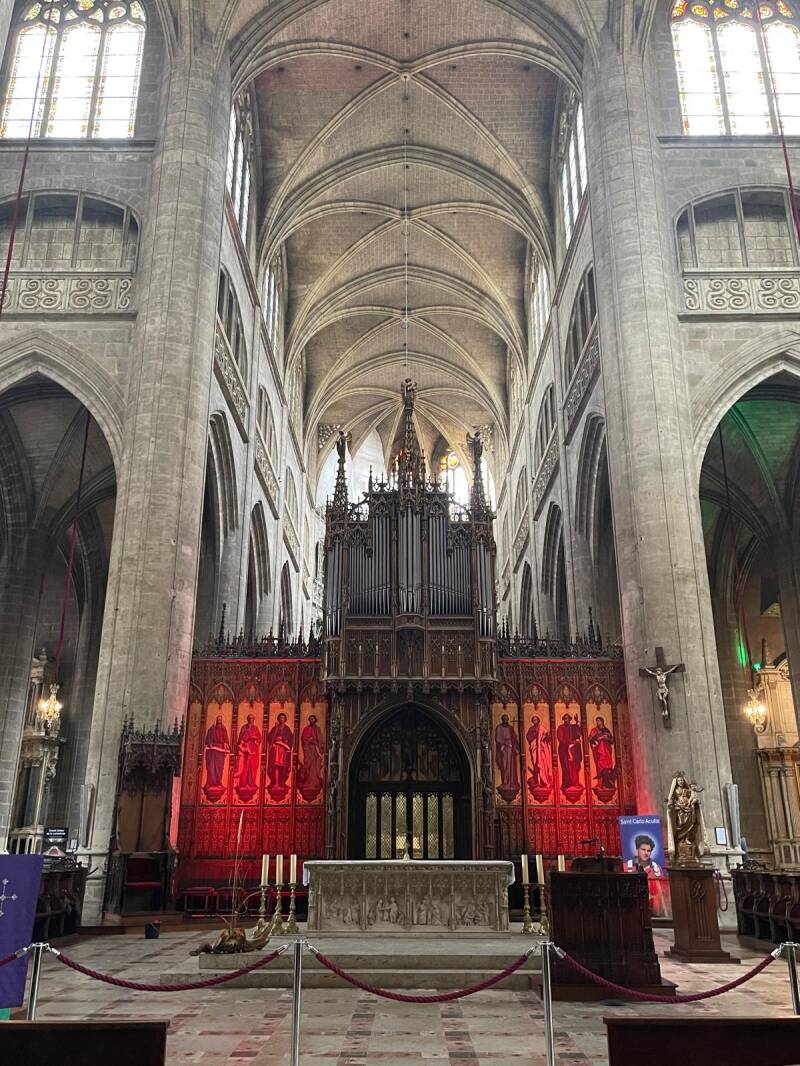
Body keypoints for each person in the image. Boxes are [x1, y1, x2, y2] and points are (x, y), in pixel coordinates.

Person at [625, 833, 666, 915]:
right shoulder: (625, 867)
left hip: (654, 912)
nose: (646, 853)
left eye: (648, 851)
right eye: (643, 849)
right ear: (637, 850)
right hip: (632, 910)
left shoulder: (657, 869)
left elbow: (664, 894)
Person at [234, 713, 262, 799]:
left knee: (252, 767)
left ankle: (251, 783)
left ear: (254, 720)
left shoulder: (256, 728)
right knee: (244, 767)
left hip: (254, 750)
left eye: (252, 718)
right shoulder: (244, 728)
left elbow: (259, 739)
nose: (251, 720)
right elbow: (240, 740)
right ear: (247, 719)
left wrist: (256, 739)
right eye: (249, 718)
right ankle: (243, 783)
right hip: (245, 750)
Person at [297, 713, 324, 800]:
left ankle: (315, 783)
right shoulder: (306, 729)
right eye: (310, 719)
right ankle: (308, 782)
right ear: (309, 720)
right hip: (309, 750)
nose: (311, 720)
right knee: (308, 765)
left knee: (315, 767)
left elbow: (320, 740)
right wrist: (310, 740)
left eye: (313, 719)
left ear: (315, 720)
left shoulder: (318, 729)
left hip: (315, 751)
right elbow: (303, 740)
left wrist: (319, 747)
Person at [494, 713, 520, 801]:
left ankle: (510, 782)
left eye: (507, 719)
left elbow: (515, 738)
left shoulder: (510, 728)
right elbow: (497, 739)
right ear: (502, 719)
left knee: (510, 766)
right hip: (503, 749)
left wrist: (515, 745)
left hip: (510, 748)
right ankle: (505, 782)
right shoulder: (499, 728)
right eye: (504, 719)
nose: (506, 720)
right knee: (504, 766)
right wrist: (505, 743)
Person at [267, 712, 294, 796]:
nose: (281, 719)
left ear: (285, 719)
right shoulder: (275, 728)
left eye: (283, 718)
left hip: (284, 751)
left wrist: (285, 741)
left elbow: (291, 738)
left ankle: (282, 783)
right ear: (279, 719)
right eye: (280, 718)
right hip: (276, 750)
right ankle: (276, 783)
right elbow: (270, 737)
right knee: (275, 766)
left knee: (283, 767)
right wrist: (275, 729)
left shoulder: (287, 729)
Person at [203, 714, 229, 799]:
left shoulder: (224, 729)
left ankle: (218, 782)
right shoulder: (211, 729)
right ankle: (211, 783)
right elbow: (208, 740)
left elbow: (226, 741)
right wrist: (210, 743)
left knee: (220, 768)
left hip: (220, 752)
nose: (219, 721)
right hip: (212, 752)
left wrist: (225, 745)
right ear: (216, 720)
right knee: (211, 768)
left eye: (220, 720)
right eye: (218, 720)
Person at [526, 714, 553, 795]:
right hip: (534, 749)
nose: (535, 721)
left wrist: (547, 737)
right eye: (533, 720)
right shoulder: (531, 729)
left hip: (542, 750)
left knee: (543, 765)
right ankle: (538, 781)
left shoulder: (543, 729)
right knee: (535, 763)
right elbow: (528, 738)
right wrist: (535, 733)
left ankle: (544, 781)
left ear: (538, 721)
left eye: (536, 720)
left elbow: (548, 739)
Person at [556, 713, 582, 793]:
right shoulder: (561, 727)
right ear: (563, 719)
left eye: (568, 718)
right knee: (566, 767)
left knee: (574, 766)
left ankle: (575, 783)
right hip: (564, 750)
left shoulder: (573, 727)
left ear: (570, 719)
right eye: (565, 718)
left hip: (573, 750)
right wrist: (572, 741)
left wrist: (577, 721)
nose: (567, 720)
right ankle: (567, 784)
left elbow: (578, 733)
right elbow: (561, 739)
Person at [588, 715, 616, 790]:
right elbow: (590, 739)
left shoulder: (606, 730)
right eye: (597, 721)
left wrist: (606, 737)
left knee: (607, 766)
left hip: (606, 750)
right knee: (600, 765)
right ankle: (600, 784)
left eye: (599, 720)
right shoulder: (594, 730)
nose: (598, 722)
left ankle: (608, 783)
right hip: (599, 751)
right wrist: (598, 738)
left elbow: (612, 740)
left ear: (602, 721)